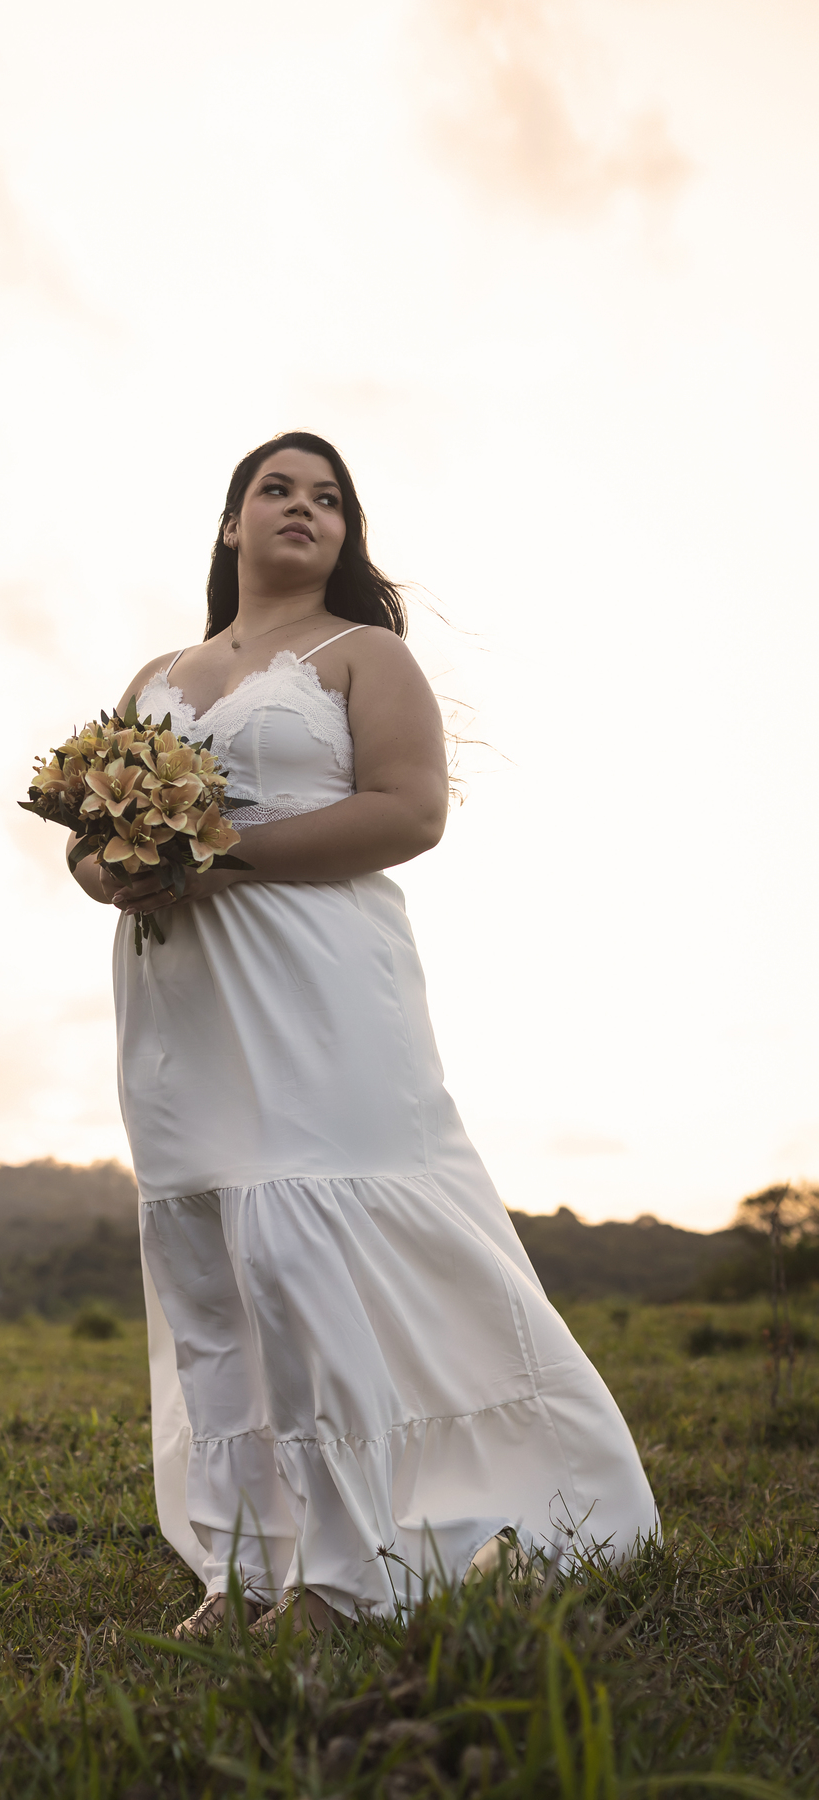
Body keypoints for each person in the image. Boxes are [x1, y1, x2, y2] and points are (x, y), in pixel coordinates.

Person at [67, 430, 659, 1637]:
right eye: (276, 490)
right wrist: (110, 868)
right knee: (210, 1274)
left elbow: (410, 811)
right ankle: (241, 1570)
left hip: (321, 991)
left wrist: (209, 849)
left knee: (299, 1253)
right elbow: (86, 836)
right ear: (230, 524)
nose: (303, 508)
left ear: (347, 535)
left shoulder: (363, 655)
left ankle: (343, 1578)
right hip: (180, 999)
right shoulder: (155, 675)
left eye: (328, 498)